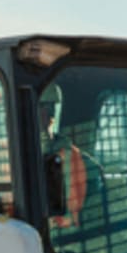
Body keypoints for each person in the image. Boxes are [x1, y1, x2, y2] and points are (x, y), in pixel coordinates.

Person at [40, 83, 86, 228]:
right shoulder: (5, 154)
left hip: (63, 234)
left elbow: (77, 197)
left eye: (47, 109)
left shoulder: (71, 155)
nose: (46, 115)